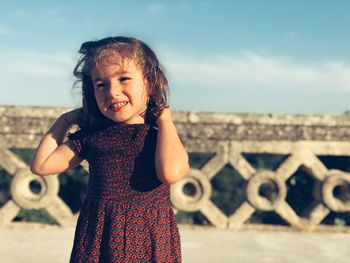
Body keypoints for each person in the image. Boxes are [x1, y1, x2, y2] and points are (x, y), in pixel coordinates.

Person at [30, 36, 189, 262]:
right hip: (98, 237)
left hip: (149, 238)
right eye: (101, 84)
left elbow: (170, 173)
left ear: (150, 84)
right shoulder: (91, 137)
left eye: (124, 78)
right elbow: (41, 165)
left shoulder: (161, 136)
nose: (112, 91)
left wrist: (164, 120)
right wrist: (64, 121)